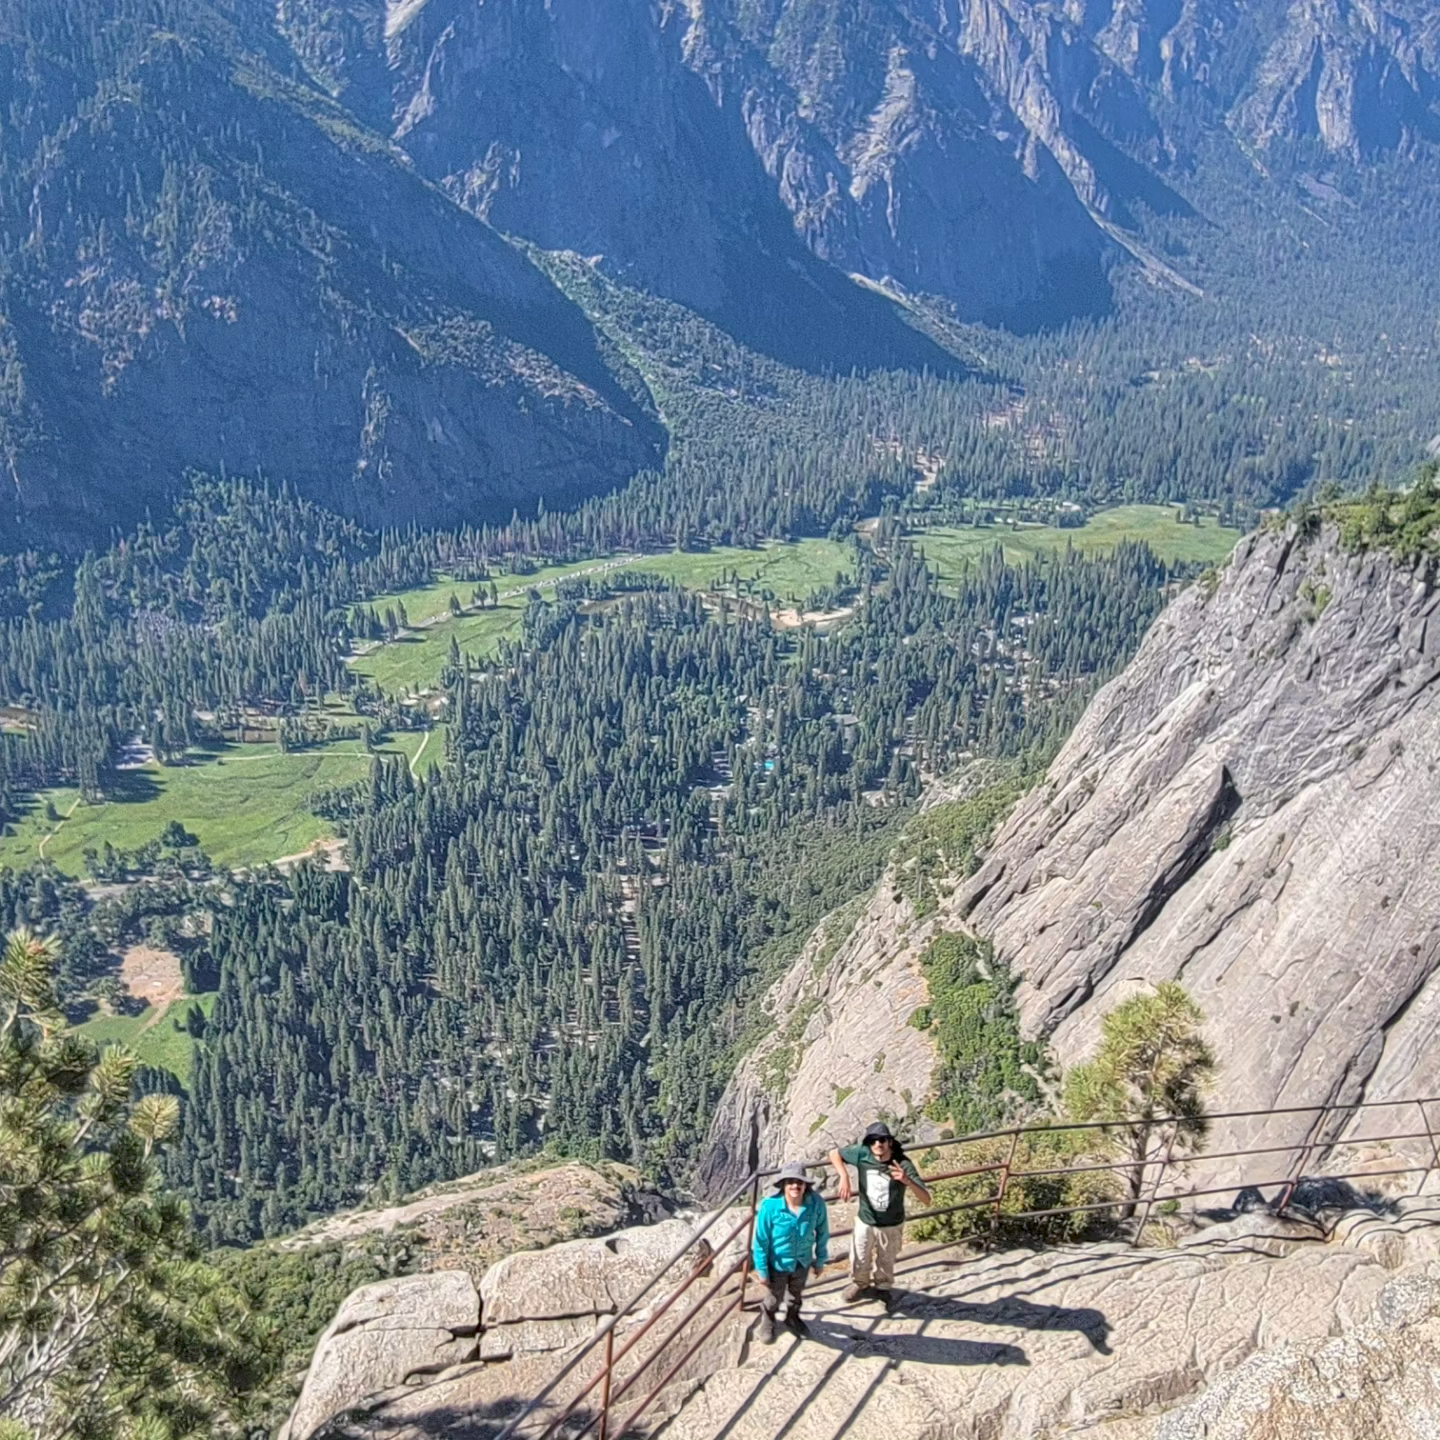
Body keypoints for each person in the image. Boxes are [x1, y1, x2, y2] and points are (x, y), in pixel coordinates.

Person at [828, 1121, 930, 1309]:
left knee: (886, 1260)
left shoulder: (902, 1164)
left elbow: (926, 1199)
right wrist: (843, 1175)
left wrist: (907, 1181)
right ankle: (860, 1284)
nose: (877, 1144)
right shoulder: (862, 1154)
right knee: (859, 1257)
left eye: (882, 1140)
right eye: (873, 1140)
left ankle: (883, 1289)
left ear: (889, 1142)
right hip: (866, 1219)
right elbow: (834, 1153)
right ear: (868, 1143)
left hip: (891, 1223)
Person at [750, 1160, 830, 1343]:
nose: (795, 1186)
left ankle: (792, 1317)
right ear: (783, 1185)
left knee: (796, 1294)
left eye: (799, 1182)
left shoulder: (815, 1204)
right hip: (777, 1263)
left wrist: (820, 1260)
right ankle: (768, 1319)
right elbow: (761, 1241)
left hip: (802, 1261)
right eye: (790, 1182)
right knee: (773, 1297)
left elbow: (822, 1232)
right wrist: (762, 1270)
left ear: (805, 1185)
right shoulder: (770, 1206)